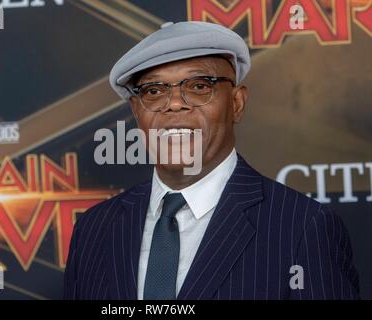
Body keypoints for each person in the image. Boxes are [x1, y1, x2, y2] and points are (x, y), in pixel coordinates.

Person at [64, 21, 359, 300]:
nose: (175, 103)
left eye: (199, 86)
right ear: (136, 111)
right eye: (154, 91)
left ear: (236, 103)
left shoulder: (302, 226)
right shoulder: (94, 229)